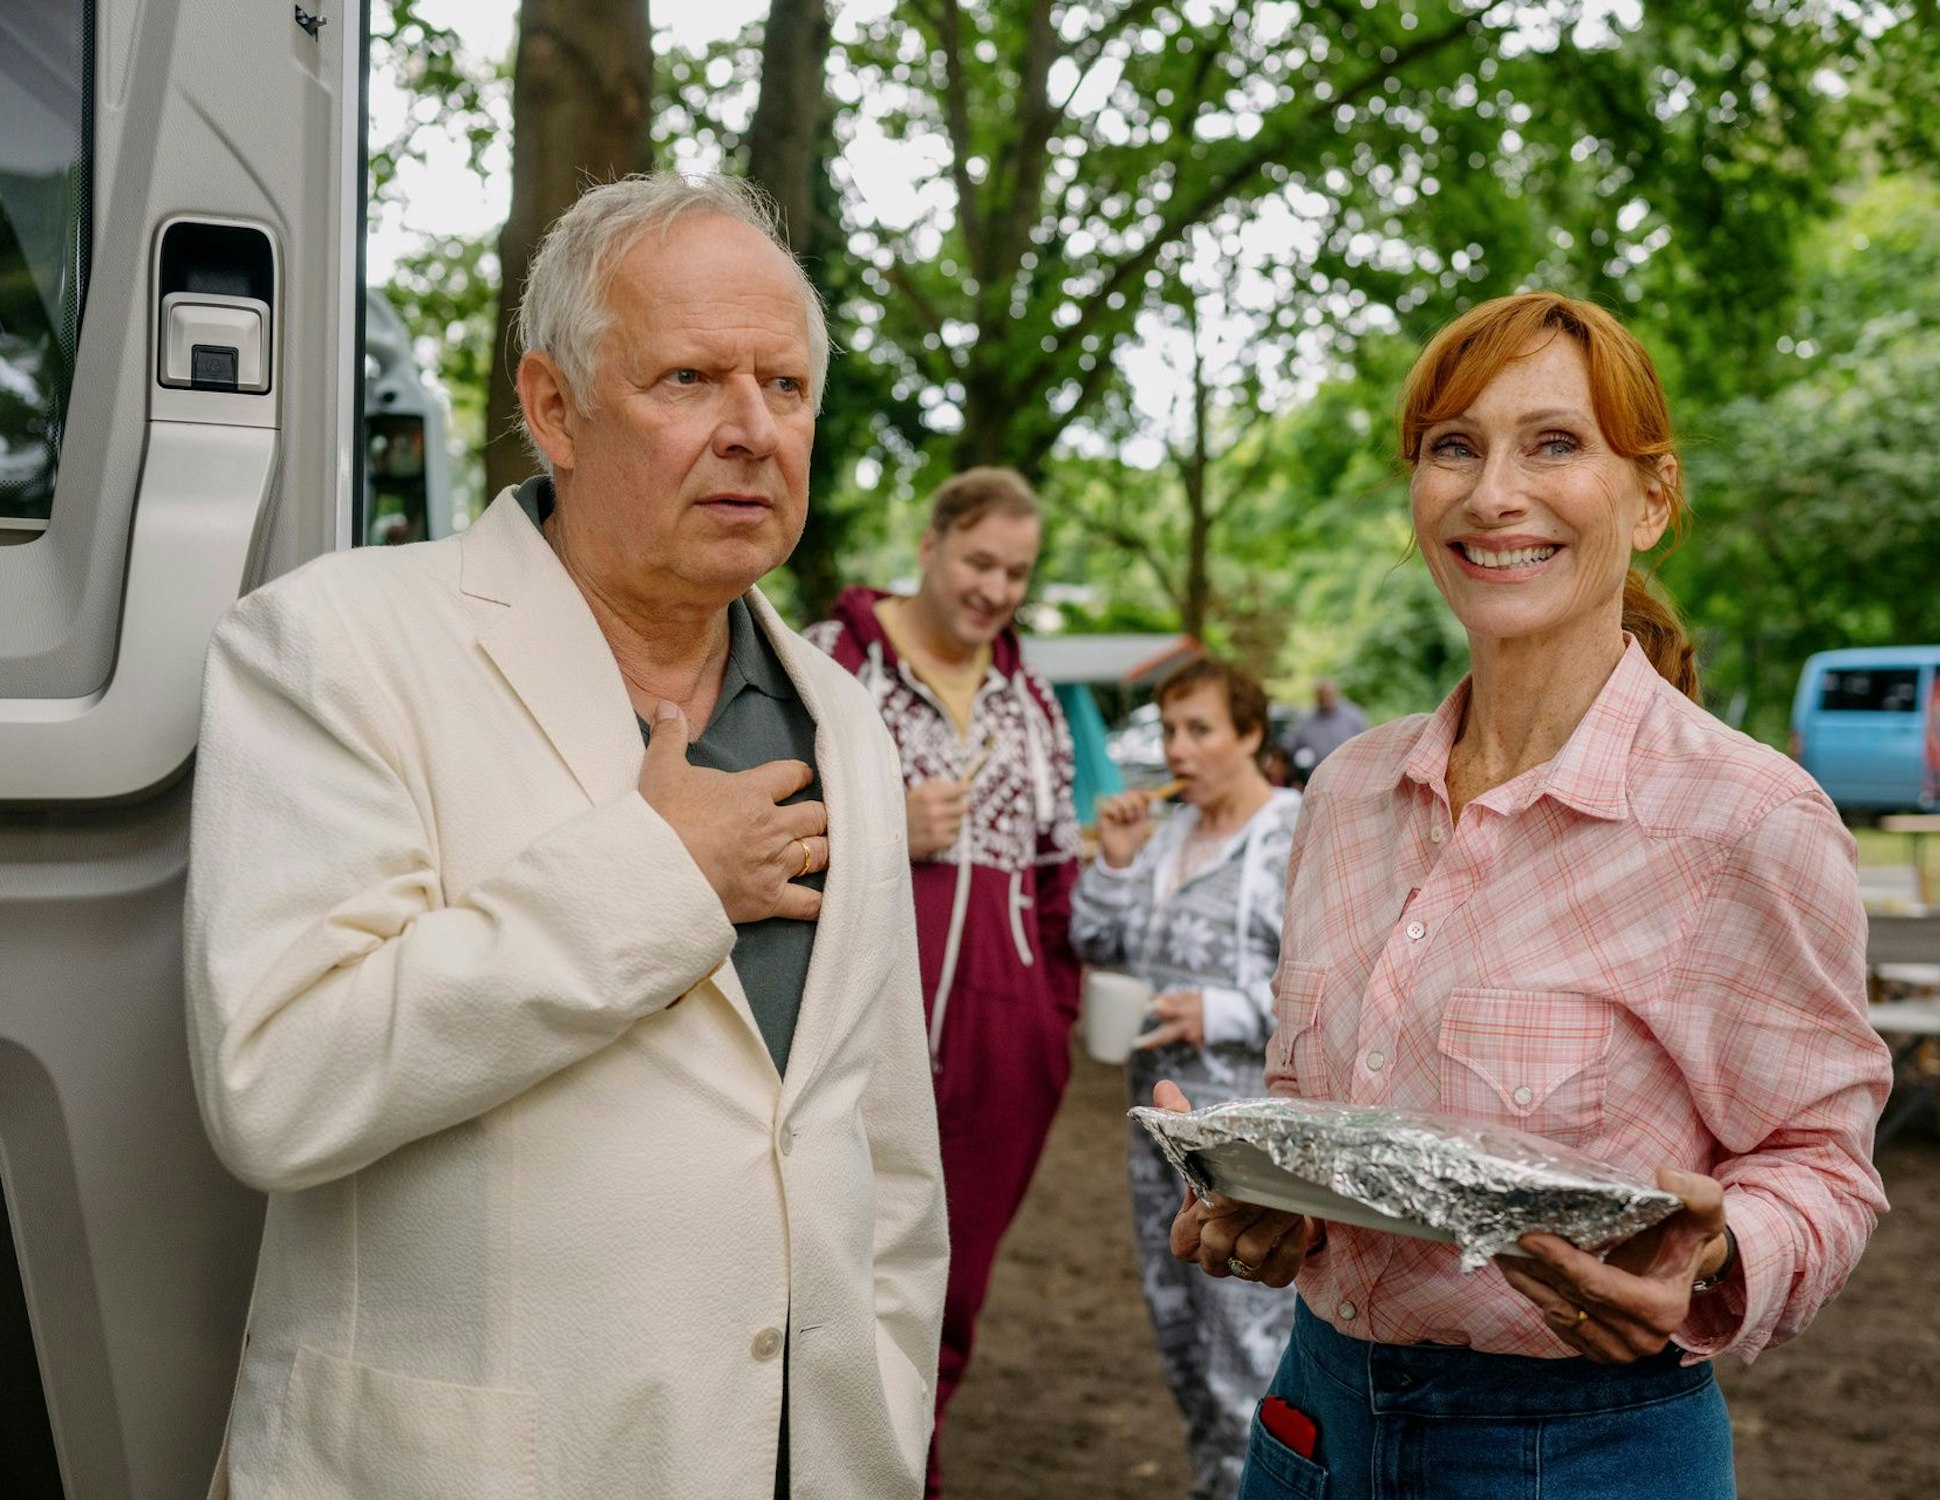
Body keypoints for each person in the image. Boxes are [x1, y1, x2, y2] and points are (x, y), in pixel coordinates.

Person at [185, 173, 947, 1499]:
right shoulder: (337, 643)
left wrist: (880, 1418)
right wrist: (661, 877)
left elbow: (883, 1160)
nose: (752, 431)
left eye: (785, 387)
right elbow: (277, 1084)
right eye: (689, 380)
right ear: (554, 410)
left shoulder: (846, 723)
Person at [1158, 291, 1893, 1498]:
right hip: (1311, 1426)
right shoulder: (1344, 792)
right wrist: (1262, 1202)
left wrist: (1713, 1250)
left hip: (1582, 1450)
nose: (1493, 491)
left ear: (1648, 499)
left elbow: (1823, 1162)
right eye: (1453, 446)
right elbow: (1319, 1105)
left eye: (1552, 443)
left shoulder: (1744, 821)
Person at [807, 467, 1082, 1497]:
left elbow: (1054, 882)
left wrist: (1046, 1024)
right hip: (854, 1030)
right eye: (979, 562)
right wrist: (877, 830)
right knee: (837, 1290)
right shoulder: (830, 663)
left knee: (947, 1301)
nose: (995, 590)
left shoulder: (1035, 700)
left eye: (1015, 573)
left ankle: (904, 1473)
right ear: (928, 545)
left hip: (1002, 1055)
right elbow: (752, 826)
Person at [1072, 657, 1301, 1500]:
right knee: (1182, 1347)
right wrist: (1117, 863)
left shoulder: (1291, 833)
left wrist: (1227, 1013)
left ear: (1249, 734)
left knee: (1250, 1354)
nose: (1177, 748)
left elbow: (1341, 991)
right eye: (1169, 730)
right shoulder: (1164, 836)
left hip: (1250, 1147)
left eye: (1199, 729)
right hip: (1157, 1143)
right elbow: (1096, 945)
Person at [1279, 677, 1368, 784]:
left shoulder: (1353, 717)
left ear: (1336, 693)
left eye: (1327, 694)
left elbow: (1367, 746)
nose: (1324, 698)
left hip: (1349, 778)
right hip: (1317, 779)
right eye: (1320, 695)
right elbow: (1291, 744)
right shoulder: (1307, 720)